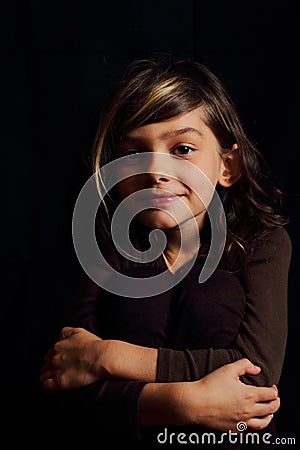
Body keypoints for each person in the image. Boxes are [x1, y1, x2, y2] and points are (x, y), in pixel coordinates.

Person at [40, 56, 291, 449]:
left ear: (228, 165)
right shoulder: (102, 244)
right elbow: (65, 375)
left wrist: (108, 357)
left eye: (183, 148)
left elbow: (254, 378)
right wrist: (182, 403)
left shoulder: (261, 243)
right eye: (135, 152)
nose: (156, 169)